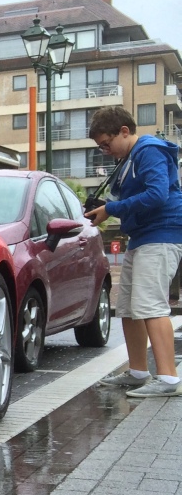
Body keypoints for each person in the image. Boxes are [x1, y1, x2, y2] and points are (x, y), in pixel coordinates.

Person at [85, 105, 182, 397]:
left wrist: (111, 208)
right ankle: (138, 372)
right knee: (128, 307)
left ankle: (168, 380)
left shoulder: (148, 150)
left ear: (124, 132)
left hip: (161, 234)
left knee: (151, 305)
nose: (105, 150)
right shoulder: (131, 157)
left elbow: (157, 193)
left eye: (106, 143)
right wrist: (107, 211)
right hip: (142, 236)